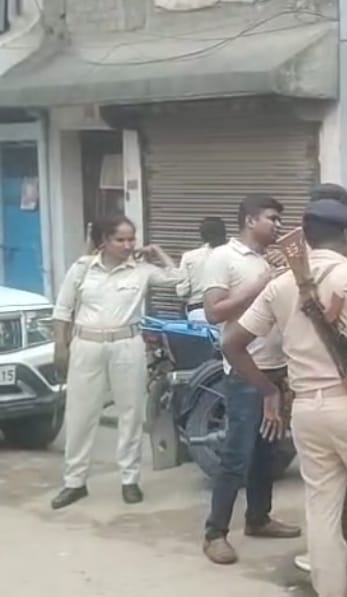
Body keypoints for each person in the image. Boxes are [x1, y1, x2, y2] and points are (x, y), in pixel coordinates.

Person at [223, 199, 347, 597]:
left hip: (307, 407)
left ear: (305, 237)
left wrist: (268, 389)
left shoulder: (280, 285)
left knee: (322, 510)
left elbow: (232, 343)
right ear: (346, 236)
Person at [50, 215, 183, 509]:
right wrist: (60, 346)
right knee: (80, 414)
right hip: (86, 345)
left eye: (131, 239)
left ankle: (130, 480)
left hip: (127, 345)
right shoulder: (82, 268)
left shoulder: (142, 271)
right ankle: (74, 482)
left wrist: (158, 252)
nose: (127, 245)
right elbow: (63, 309)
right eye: (120, 239)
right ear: (104, 241)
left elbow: (180, 281)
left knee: (130, 413)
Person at [201, 194, 300, 565]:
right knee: (237, 454)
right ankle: (215, 533)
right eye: (272, 218)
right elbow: (214, 312)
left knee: (267, 452)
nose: (278, 225)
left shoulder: (272, 259)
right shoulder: (223, 258)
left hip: (279, 367)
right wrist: (263, 282)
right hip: (246, 370)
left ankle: (259, 517)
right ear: (249, 220)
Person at [293, 182, 347, 573]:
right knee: (339, 482)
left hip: (335, 386)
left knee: (330, 487)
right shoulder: (305, 264)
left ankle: (335, 557)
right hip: (332, 386)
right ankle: (340, 550)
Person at [178, 217, 227, 323]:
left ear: (202, 236)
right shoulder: (235, 256)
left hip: (197, 311)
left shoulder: (189, 257)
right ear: (224, 234)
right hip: (227, 311)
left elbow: (182, 292)